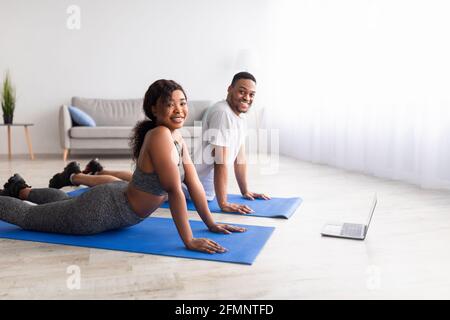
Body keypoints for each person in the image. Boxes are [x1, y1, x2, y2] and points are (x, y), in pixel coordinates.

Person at [0, 79, 246, 254]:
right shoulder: (160, 135)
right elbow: (174, 190)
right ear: (154, 109)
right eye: (170, 104)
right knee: (29, 216)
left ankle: (20, 189)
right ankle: (18, 194)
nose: (179, 110)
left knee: (64, 204)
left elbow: (192, 182)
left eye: (182, 103)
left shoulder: (176, 136)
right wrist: (189, 240)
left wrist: (211, 223)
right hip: (101, 212)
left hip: (115, 201)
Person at [192, 72, 270, 214]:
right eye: (242, 92)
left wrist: (245, 191)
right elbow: (220, 161)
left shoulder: (240, 116)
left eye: (251, 94)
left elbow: (240, 158)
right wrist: (223, 203)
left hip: (205, 191)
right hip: (190, 187)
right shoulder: (223, 113)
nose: (247, 98)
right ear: (230, 89)